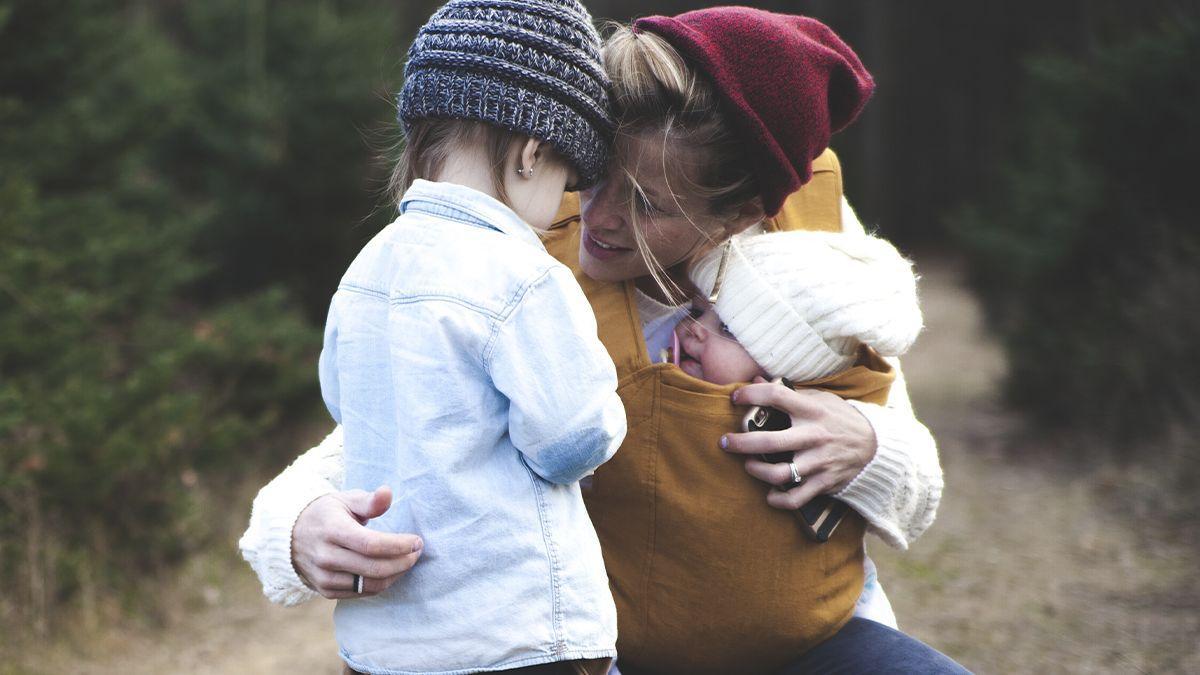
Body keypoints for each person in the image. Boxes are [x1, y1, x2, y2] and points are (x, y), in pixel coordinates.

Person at [241, 7, 967, 674]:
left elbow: (919, 485)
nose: (600, 217)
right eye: (594, 176)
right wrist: (297, 526)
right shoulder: (520, 264)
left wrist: (871, 446)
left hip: (812, 648)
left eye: (649, 203)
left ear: (741, 212)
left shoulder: (814, 273)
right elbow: (384, 425)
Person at [314, 1, 624, 673]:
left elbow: (344, 403)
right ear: (532, 152)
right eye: (566, 184)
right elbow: (573, 437)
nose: (560, 209)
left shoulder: (364, 271)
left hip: (384, 645)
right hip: (515, 636)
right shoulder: (521, 273)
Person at [672, 229, 924, 629]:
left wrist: (873, 450)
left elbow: (915, 500)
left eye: (728, 330)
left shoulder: (815, 421)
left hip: (826, 620)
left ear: (777, 373)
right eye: (698, 310)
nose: (692, 328)